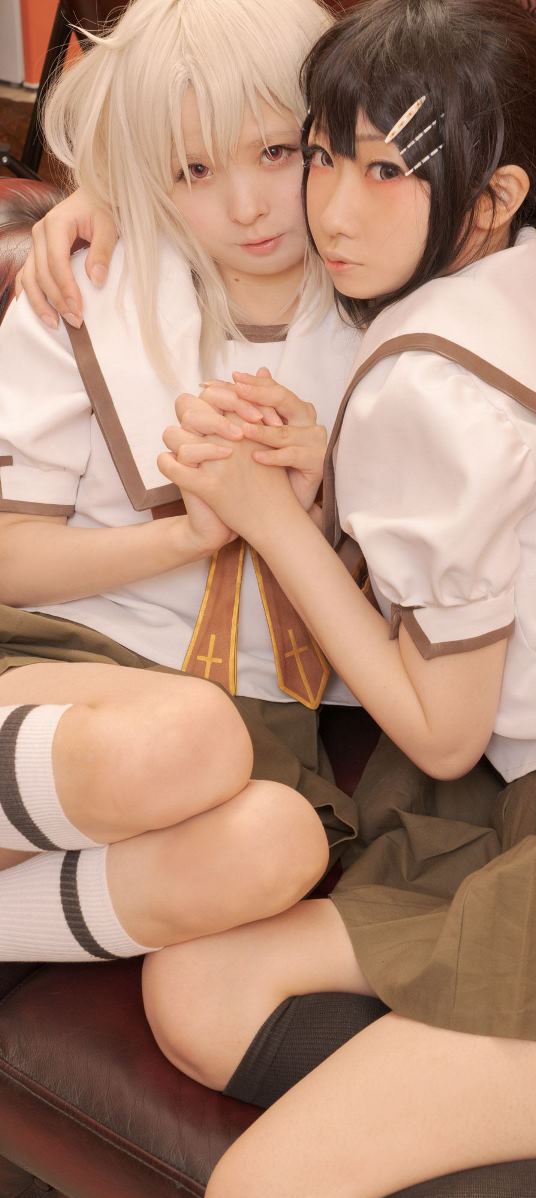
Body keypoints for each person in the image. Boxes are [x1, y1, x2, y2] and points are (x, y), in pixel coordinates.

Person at [132, 0, 536, 1195]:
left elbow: (439, 729)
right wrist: (320, 490)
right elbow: (490, 543)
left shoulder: (422, 383)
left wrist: (269, 519)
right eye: (324, 155)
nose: (331, 210)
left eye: (386, 171)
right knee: (196, 988)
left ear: (490, 197)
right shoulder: (535, 274)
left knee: (260, 1184)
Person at [0, 0, 363, 965]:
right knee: (186, 736)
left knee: (281, 842)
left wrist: (310, 511)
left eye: (276, 153)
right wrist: (185, 536)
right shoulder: (90, 285)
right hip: (58, 662)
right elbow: (9, 558)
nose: (246, 208)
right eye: (194, 171)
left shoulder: (400, 319)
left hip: (260, 725)